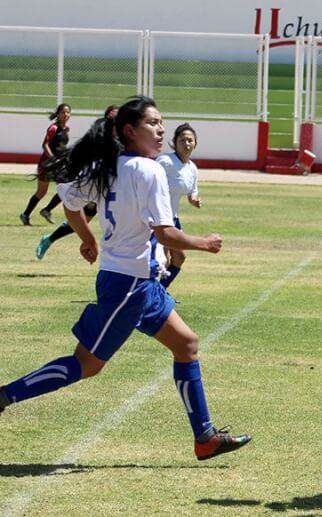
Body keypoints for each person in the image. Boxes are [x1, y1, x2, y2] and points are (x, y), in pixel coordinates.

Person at [0, 96, 251, 461]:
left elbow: (69, 199)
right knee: (87, 365)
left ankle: (205, 437)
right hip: (127, 286)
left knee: (186, 345)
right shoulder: (147, 171)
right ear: (130, 131)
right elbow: (165, 234)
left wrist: (88, 240)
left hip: (140, 283)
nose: (162, 129)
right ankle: (4, 396)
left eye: (162, 122)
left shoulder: (109, 165)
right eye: (153, 123)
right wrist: (204, 242)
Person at [35, 105, 120, 260]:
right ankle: (48, 233)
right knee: (77, 215)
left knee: (80, 223)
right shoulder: (97, 142)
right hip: (92, 188)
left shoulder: (126, 143)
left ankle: (49, 238)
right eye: (111, 118)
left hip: (104, 192)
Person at [156, 123, 201, 289]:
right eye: (182, 140)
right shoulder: (165, 161)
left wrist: (194, 199)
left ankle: (159, 291)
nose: (187, 143)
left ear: (195, 143)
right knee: (163, 259)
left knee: (178, 257)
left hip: (172, 218)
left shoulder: (192, 168)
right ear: (175, 142)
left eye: (190, 140)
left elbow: (192, 191)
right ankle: (152, 295)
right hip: (157, 217)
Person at [20, 103, 72, 226]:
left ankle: (47, 210)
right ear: (58, 114)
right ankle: (25, 214)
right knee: (41, 192)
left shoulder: (67, 128)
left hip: (58, 164)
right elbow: (45, 145)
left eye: (67, 112)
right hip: (47, 164)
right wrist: (53, 159)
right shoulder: (53, 128)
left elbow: (61, 146)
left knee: (64, 189)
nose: (65, 115)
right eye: (62, 112)